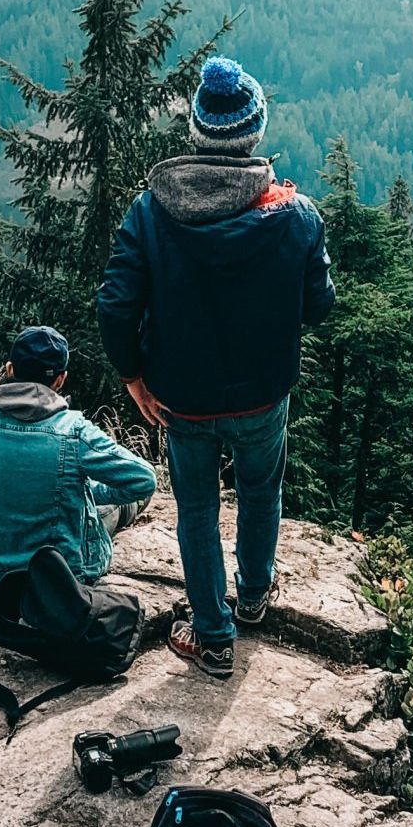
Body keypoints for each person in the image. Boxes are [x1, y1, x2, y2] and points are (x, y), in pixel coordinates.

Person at [97, 56, 335, 678]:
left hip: (182, 398)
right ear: (253, 135)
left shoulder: (151, 212)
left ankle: (213, 637)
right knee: (261, 491)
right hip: (262, 395)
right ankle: (253, 597)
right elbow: (320, 307)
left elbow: (117, 305)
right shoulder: (297, 215)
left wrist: (133, 378)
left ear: (198, 134)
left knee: (198, 509)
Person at [0, 324, 157, 584]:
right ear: (60, 379)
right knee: (125, 504)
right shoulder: (74, 431)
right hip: (57, 571)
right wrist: (86, 491)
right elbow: (144, 479)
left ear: (10, 369)